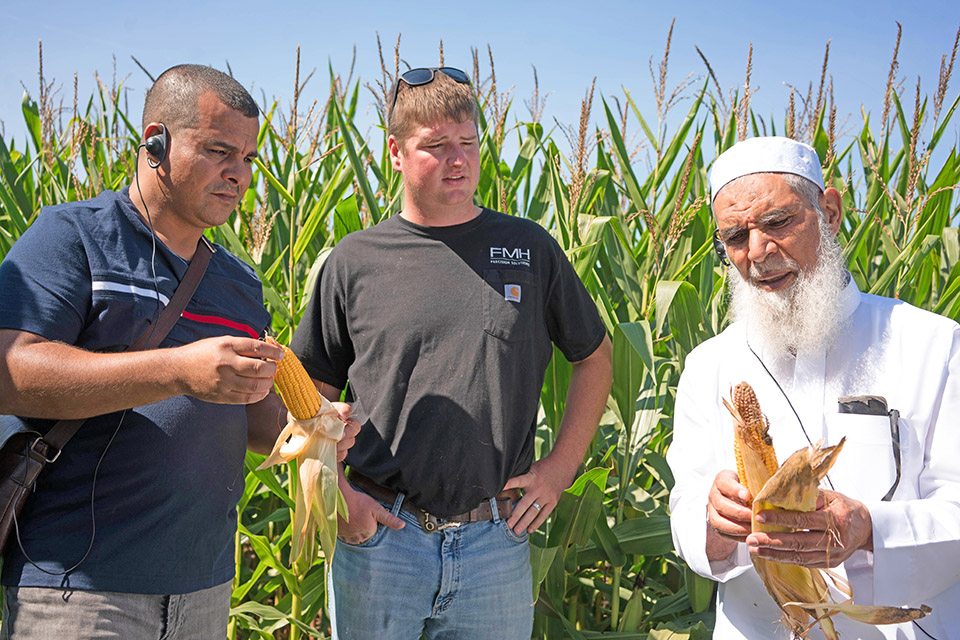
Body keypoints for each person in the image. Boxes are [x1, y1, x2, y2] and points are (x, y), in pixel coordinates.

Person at [0, 64, 358, 639]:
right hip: (79, 591)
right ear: (155, 144)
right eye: (219, 151)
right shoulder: (71, 236)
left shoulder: (237, 281)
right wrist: (177, 371)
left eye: (248, 159)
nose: (238, 174)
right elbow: (9, 372)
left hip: (204, 590)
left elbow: (248, 416)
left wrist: (312, 423)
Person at [289, 66, 613, 639]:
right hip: (380, 537)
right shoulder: (354, 260)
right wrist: (340, 499)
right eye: (435, 147)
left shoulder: (528, 250)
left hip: (496, 541)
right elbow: (311, 390)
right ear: (395, 151)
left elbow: (594, 356)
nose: (457, 160)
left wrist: (559, 472)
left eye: (467, 143)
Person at [667, 136, 960, 639]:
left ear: (829, 211)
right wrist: (714, 525)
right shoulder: (708, 364)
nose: (757, 252)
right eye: (735, 236)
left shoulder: (933, 344)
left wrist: (869, 529)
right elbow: (686, 510)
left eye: (778, 223)